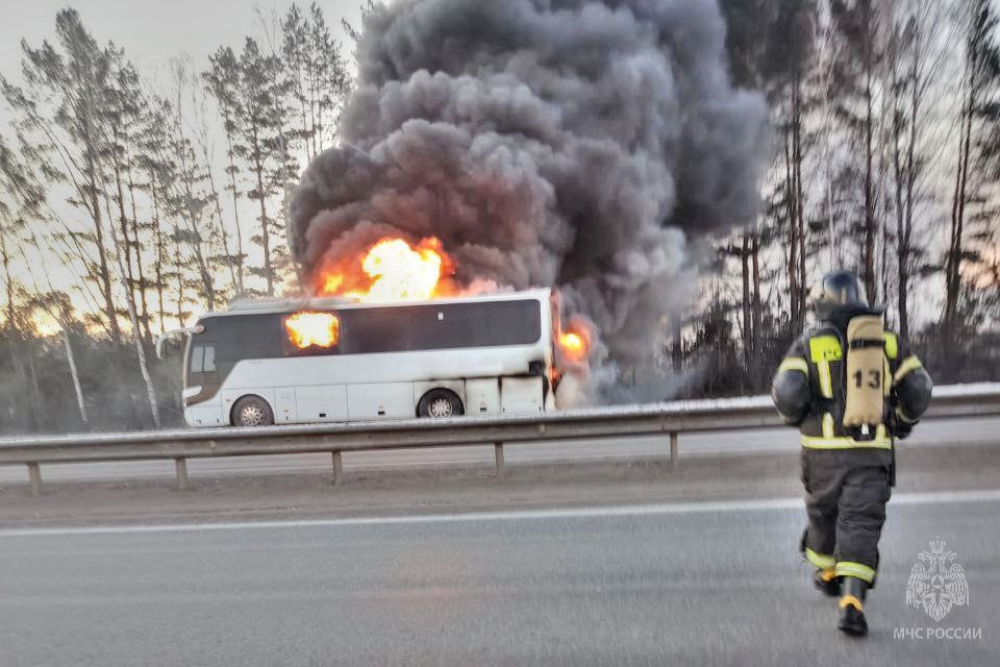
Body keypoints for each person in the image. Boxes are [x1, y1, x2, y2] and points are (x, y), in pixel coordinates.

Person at [771, 270, 932, 637]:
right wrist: (902, 421)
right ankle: (852, 602)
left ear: (823, 302)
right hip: (871, 451)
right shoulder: (887, 341)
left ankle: (828, 573)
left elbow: (788, 389)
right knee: (860, 521)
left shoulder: (809, 343)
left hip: (822, 453)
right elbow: (919, 389)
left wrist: (797, 419)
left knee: (824, 515)